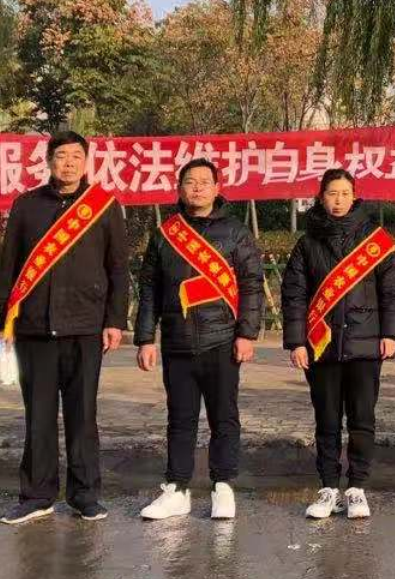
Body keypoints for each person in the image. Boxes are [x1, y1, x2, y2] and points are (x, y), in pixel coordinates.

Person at [0, 130, 129, 525]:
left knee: (82, 415)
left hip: (85, 326)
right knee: (38, 415)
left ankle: (85, 495)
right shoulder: (27, 205)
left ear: (86, 162)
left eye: (75, 156)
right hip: (34, 327)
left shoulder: (104, 206)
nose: (68, 163)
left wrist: (115, 320)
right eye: (61, 156)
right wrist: (3, 320)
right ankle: (37, 495)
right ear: (48, 161)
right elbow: (9, 264)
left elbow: (118, 268)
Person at [132, 158, 264, 521]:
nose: (198, 187)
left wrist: (247, 333)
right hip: (177, 341)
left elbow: (252, 284)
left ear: (217, 188)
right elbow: (149, 289)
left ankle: (223, 486)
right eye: (191, 181)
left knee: (224, 416)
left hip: (222, 339)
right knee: (180, 418)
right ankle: (177, 489)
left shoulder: (236, 232)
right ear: (180, 188)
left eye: (205, 181)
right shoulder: (165, 234)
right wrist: (145, 338)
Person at [280, 169, 395, 520]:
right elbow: (294, 296)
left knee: (362, 418)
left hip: (366, 346)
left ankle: (357, 487)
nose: (338, 200)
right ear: (321, 197)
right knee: (327, 418)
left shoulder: (376, 240)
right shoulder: (307, 244)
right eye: (331, 193)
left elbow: (392, 291)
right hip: (321, 345)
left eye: (344, 193)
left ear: (354, 196)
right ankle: (328, 487)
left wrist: (391, 333)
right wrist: (296, 342)